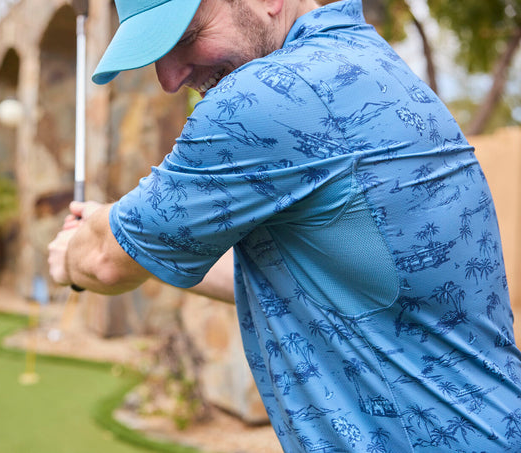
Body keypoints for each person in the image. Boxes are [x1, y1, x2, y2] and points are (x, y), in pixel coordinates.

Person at [48, 0, 521, 450]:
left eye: (189, 35)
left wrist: (73, 252)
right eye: (157, 54)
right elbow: (312, 278)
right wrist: (129, 231)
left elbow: (105, 262)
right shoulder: (363, 63)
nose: (170, 78)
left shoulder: (270, 94)